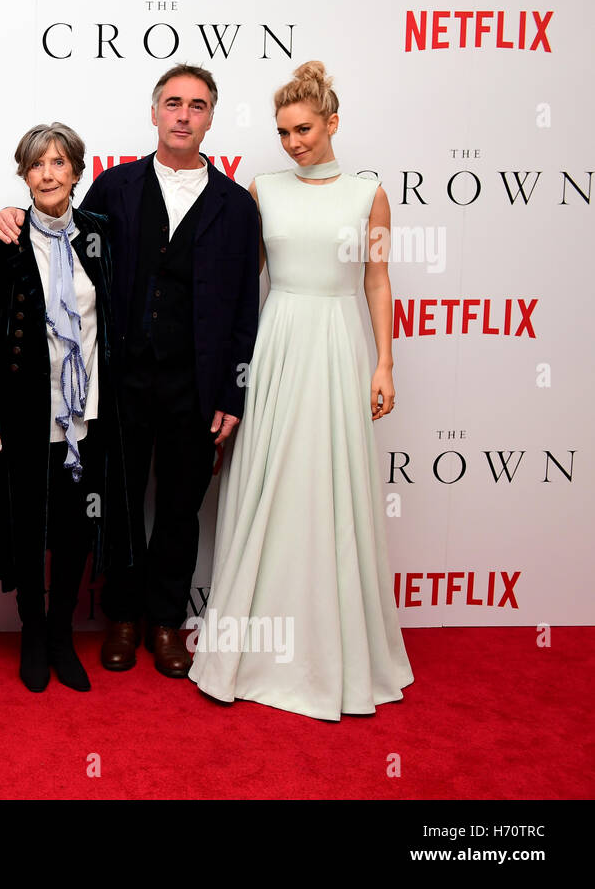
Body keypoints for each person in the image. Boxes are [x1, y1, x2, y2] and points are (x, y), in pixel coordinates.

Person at [0, 65, 261, 681]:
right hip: (119, 385)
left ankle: (167, 623)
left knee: (182, 508)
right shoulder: (114, 188)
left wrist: (231, 392)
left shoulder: (237, 207)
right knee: (116, 503)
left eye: (197, 105)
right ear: (155, 112)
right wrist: (8, 215)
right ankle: (122, 618)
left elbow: (247, 306)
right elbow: (57, 235)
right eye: (173, 103)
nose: (184, 114)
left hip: (198, 385)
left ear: (211, 117)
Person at [188, 61, 413, 720]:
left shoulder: (369, 194)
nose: (293, 142)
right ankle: (254, 651)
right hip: (278, 343)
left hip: (339, 343)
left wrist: (385, 364)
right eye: (284, 131)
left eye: (305, 129)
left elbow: (377, 280)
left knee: (330, 487)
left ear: (333, 122)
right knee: (271, 484)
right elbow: (239, 282)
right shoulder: (263, 190)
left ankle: (333, 655)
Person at [0, 122, 128, 693]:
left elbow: (112, 323)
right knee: (28, 528)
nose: (47, 174)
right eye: (36, 165)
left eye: (58, 163)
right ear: (24, 175)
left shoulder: (101, 235)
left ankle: (62, 635)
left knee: (75, 528)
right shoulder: (4, 241)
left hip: (88, 414)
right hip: (26, 416)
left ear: (76, 172)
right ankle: (33, 635)